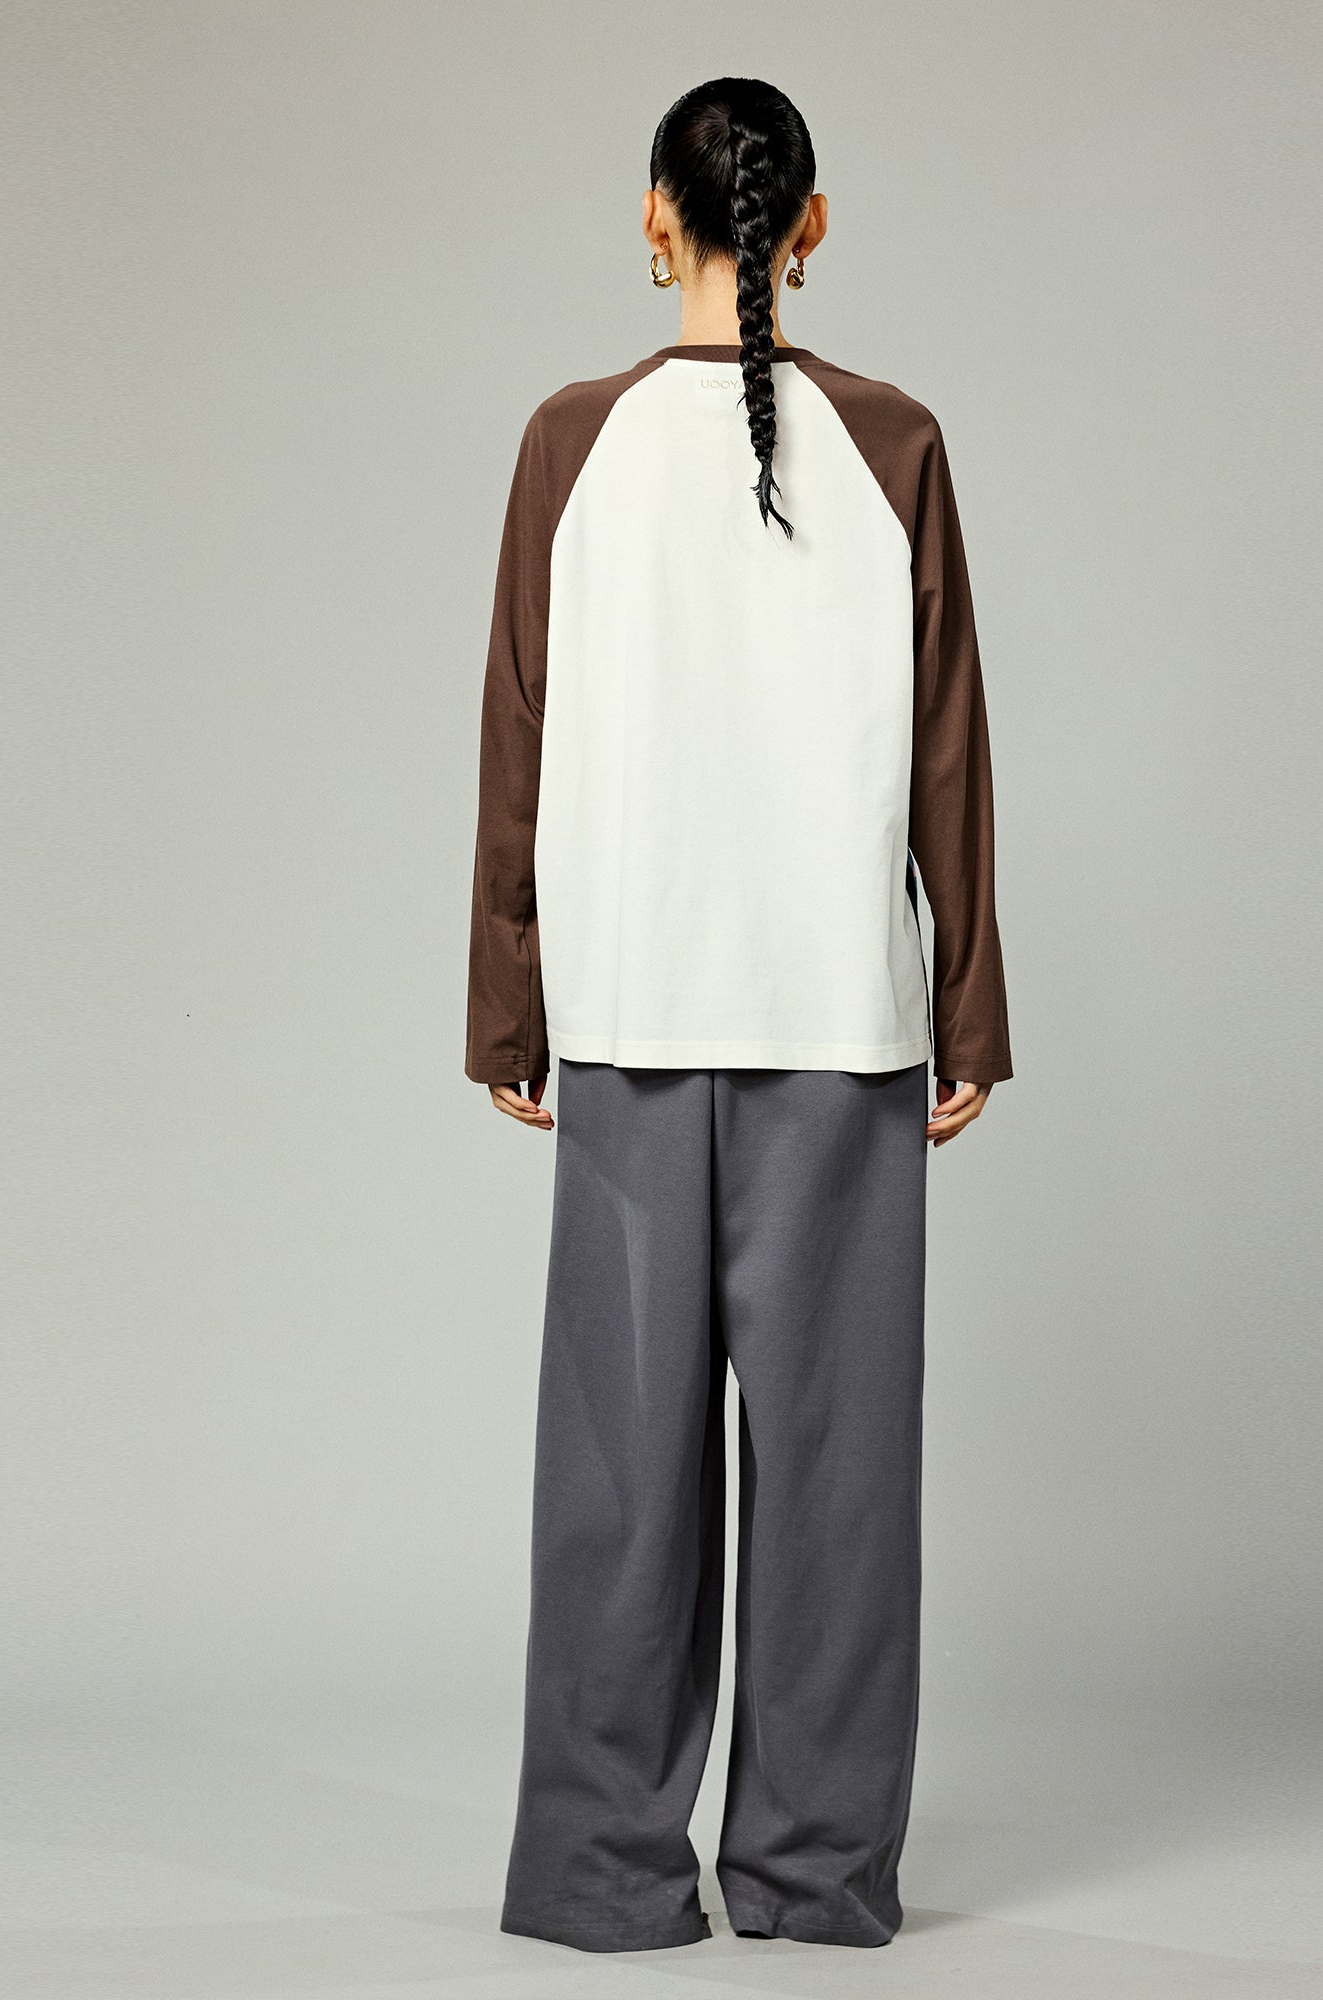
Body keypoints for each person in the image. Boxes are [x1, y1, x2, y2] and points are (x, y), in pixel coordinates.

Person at [465, 75, 1012, 1954]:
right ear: (813, 223)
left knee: (618, 1478)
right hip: (840, 1028)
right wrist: (967, 1004)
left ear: (654, 217)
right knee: (840, 1480)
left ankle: (600, 1873)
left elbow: (519, 726)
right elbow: (951, 749)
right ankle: (815, 1872)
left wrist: (510, 999)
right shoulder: (896, 441)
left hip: (629, 1014)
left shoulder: (572, 440)